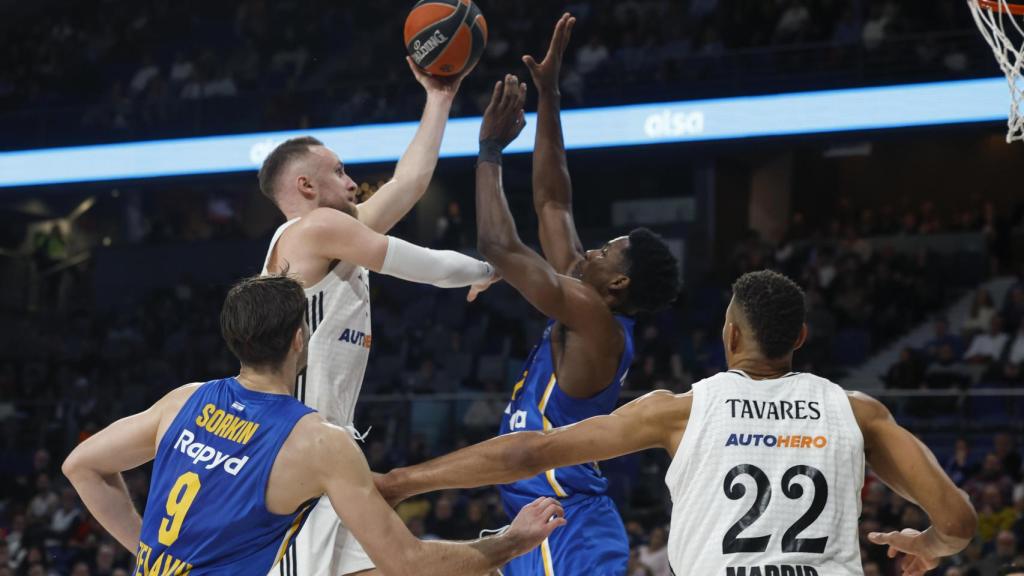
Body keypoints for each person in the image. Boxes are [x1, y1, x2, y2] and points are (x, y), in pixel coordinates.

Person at [378, 270, 977, 576]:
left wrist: (402, 481)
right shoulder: (859, 412)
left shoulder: (679, 410)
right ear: (799, 339)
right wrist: (925, 545)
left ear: (730, 335)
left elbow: (526, 454)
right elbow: (958, 523)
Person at [62, 275, 564, 575]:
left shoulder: (184, 400)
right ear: (301, 339)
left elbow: (81, 466)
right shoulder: (319, 442)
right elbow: (408, 566)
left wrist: (149, 551)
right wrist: (510, 542)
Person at [258, 59, 500, 575]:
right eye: (339, 172)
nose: (352, 183)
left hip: (322, 449)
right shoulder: (314, 229)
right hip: (300, 451)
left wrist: (439, 98)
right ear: (305, 186)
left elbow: (409, 182)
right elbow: (427, 267)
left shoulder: (323, 237)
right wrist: (491, 268)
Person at [463, 15, 680, 575]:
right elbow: (553, 203)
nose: (592, 250)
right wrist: (550, 95)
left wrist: (488, 151)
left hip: (567, 522)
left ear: (618, 284)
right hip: (544, 511)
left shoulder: (590, 317)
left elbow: (497, 243)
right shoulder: (590, 300)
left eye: (607, 249)